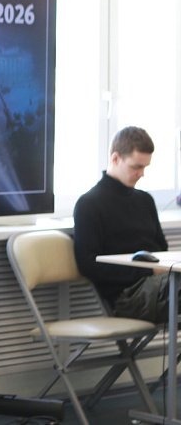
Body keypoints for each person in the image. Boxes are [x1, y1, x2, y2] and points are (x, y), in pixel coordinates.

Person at [73, 126, 169, 321]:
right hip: (126, 297)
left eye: (145, 167)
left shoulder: (145, 200)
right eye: (136, 167)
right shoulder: (89, 204)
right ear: (115, 159)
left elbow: (161, 249)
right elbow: (88, 266)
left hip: (160, 284)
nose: (141, 174)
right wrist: (148, 270)